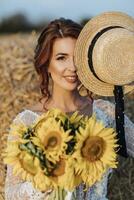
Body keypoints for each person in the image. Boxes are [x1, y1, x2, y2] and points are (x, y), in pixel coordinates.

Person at [4, 17, 134, 200]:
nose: (72, 67)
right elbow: (10, 193)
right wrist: (45, 181)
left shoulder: (104, 113)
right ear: (46, 63)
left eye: (77, 58)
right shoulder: (27, 122)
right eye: (61, 58)